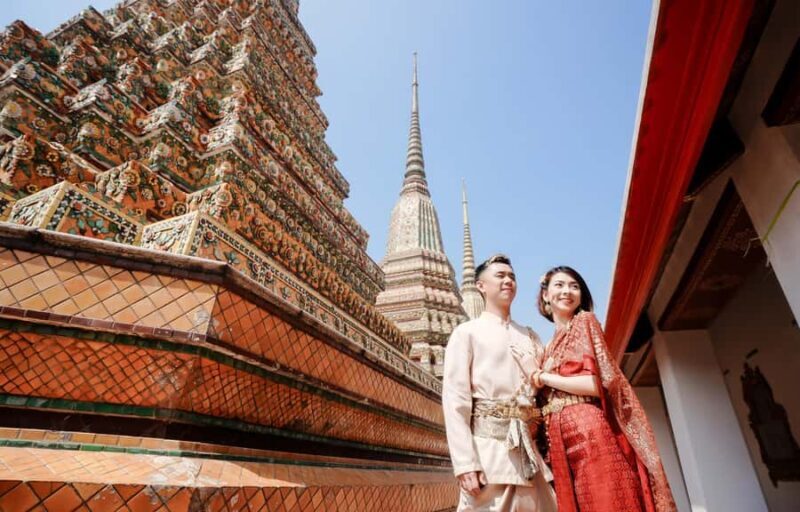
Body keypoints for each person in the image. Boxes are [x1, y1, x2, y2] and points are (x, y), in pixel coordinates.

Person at [531, 265, 676, 512]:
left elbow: (595, 384)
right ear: (545, 295)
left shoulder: (584, 322)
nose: (567, 291)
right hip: (559, 439)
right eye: (560, 285)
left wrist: (545, 377)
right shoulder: (548, 346)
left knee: (606, 500)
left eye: (574, 286)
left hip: (590, 430)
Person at [443, 254, 556, 512]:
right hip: (488, 455)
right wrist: (464, 464)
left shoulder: (530, 336)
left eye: (512, 276)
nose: (508, 281)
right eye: (500, 276)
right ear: (480, 286)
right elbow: (455, 402)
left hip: (530, 456)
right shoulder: (466, 333)